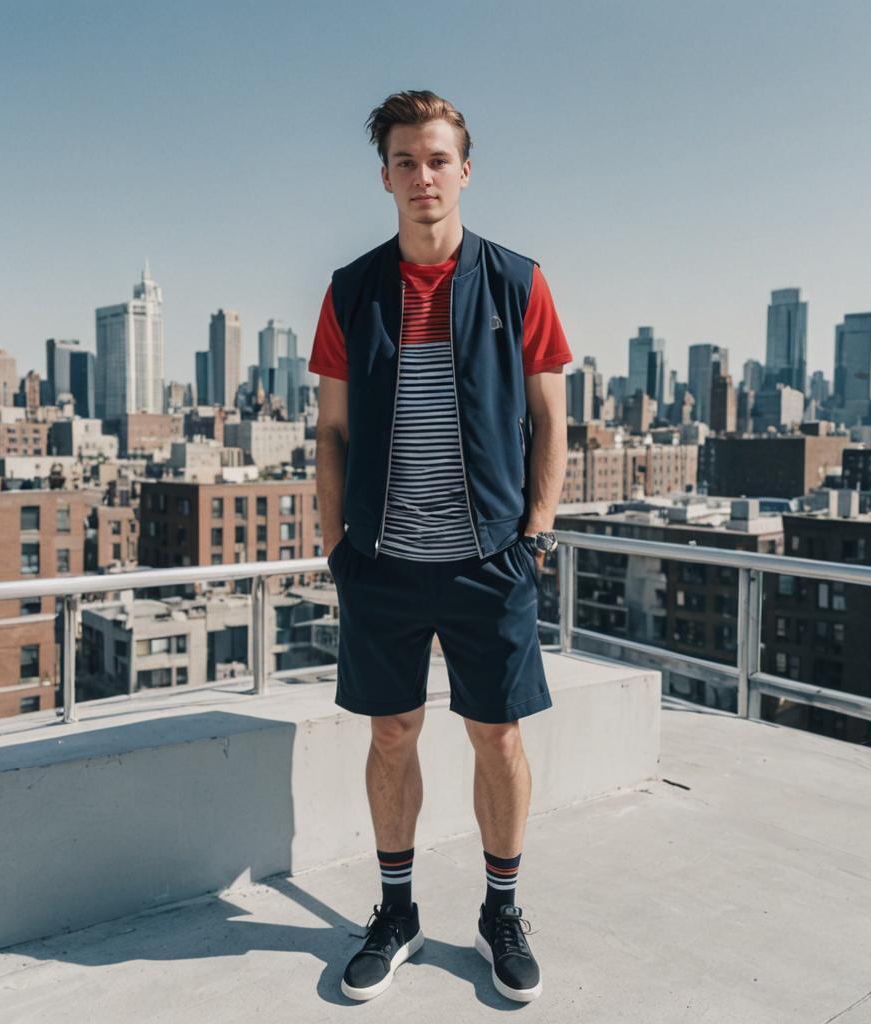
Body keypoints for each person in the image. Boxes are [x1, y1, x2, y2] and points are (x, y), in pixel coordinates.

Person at [307, 89, 572, 1004]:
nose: (423, 176)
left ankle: (501, 910)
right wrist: (338, 546)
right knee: (392, 734)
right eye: (406, 161)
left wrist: (534, 534)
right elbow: (332, 436)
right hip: (380, 562)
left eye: (438, 159)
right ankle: (396, 910)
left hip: (490, 558)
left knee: (496, 737)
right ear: (384, 175)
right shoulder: (351, 291)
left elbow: (549, 420)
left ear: (466, 169)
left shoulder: (518, 281)